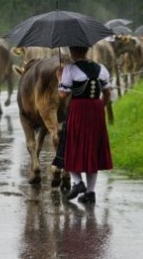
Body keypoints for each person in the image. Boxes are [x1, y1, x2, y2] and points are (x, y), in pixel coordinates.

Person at [56, 46, 113, 204]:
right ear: (87, 50)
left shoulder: (69, 69)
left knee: (73, 145)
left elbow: (62, 95)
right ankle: (90, 192)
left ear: (73, 52)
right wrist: (100, 107)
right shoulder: (101, 69)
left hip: (78, 109)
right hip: (96, 109)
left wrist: (60, 78)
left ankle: (78, 182)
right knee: (92, 148)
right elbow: (107, 93)